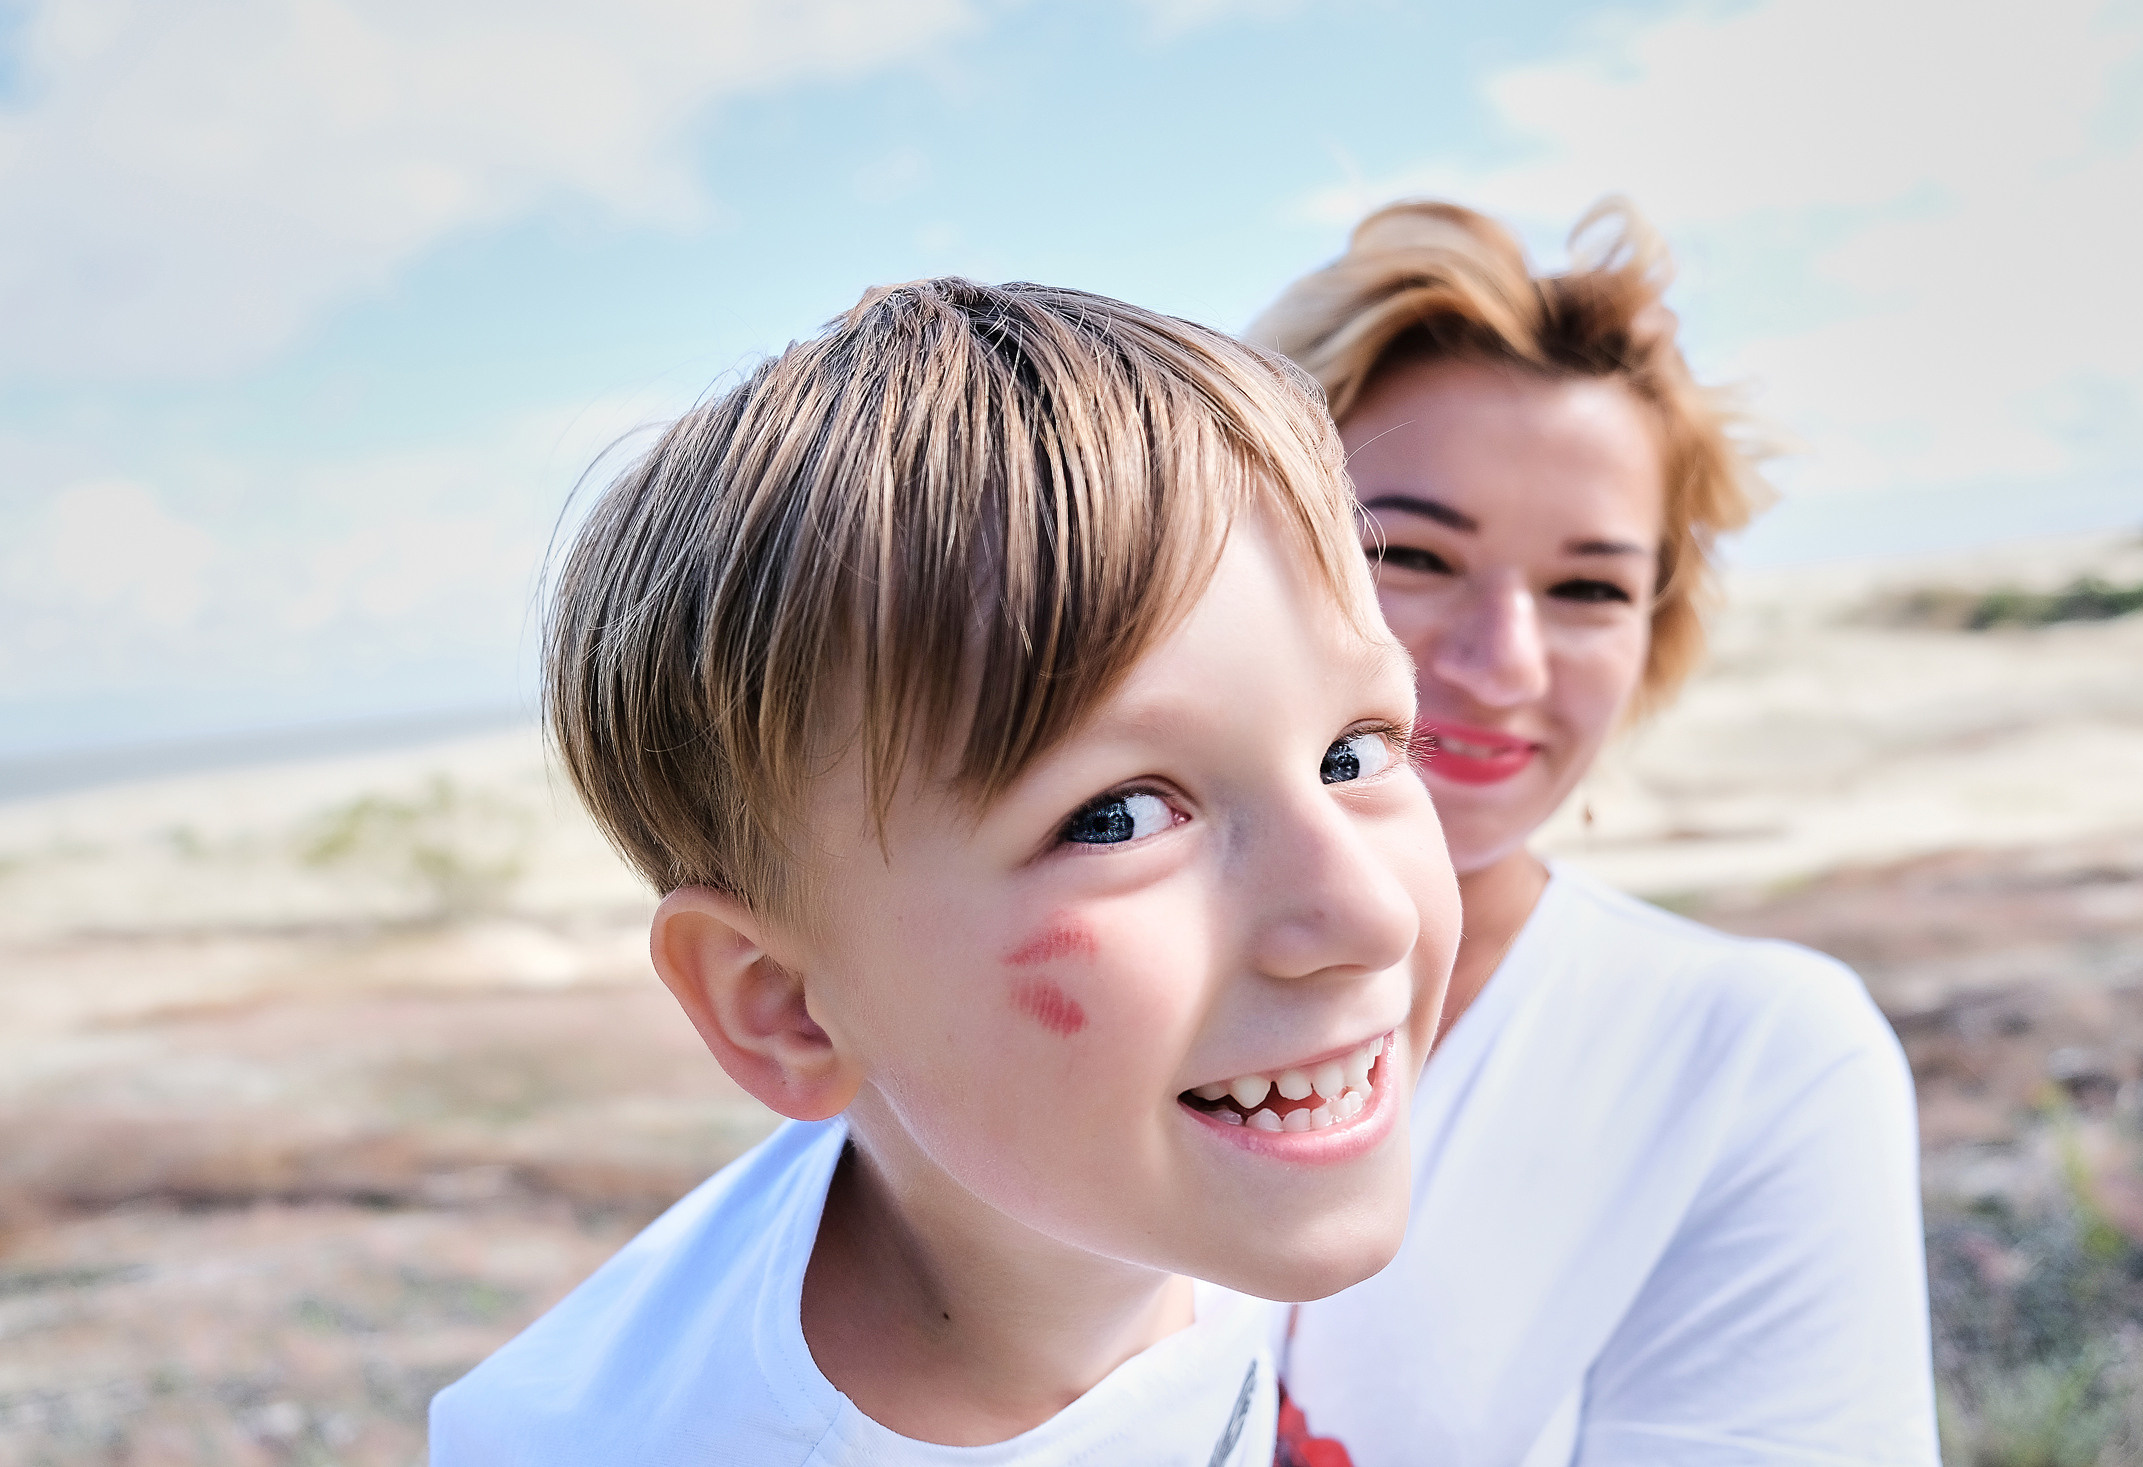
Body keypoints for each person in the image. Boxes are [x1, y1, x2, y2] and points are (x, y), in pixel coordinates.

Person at [429, 278, 1462, 1464]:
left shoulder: (1169, 1168)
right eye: (1116, 819)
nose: (1365, 913)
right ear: (783, 1006)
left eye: (1353, 752)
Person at [1249, 201, 1939, 1465]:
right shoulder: (1027, 966)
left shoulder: (1756, 1061)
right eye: (1409, 553)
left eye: (1586, 587)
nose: (1499, 666)